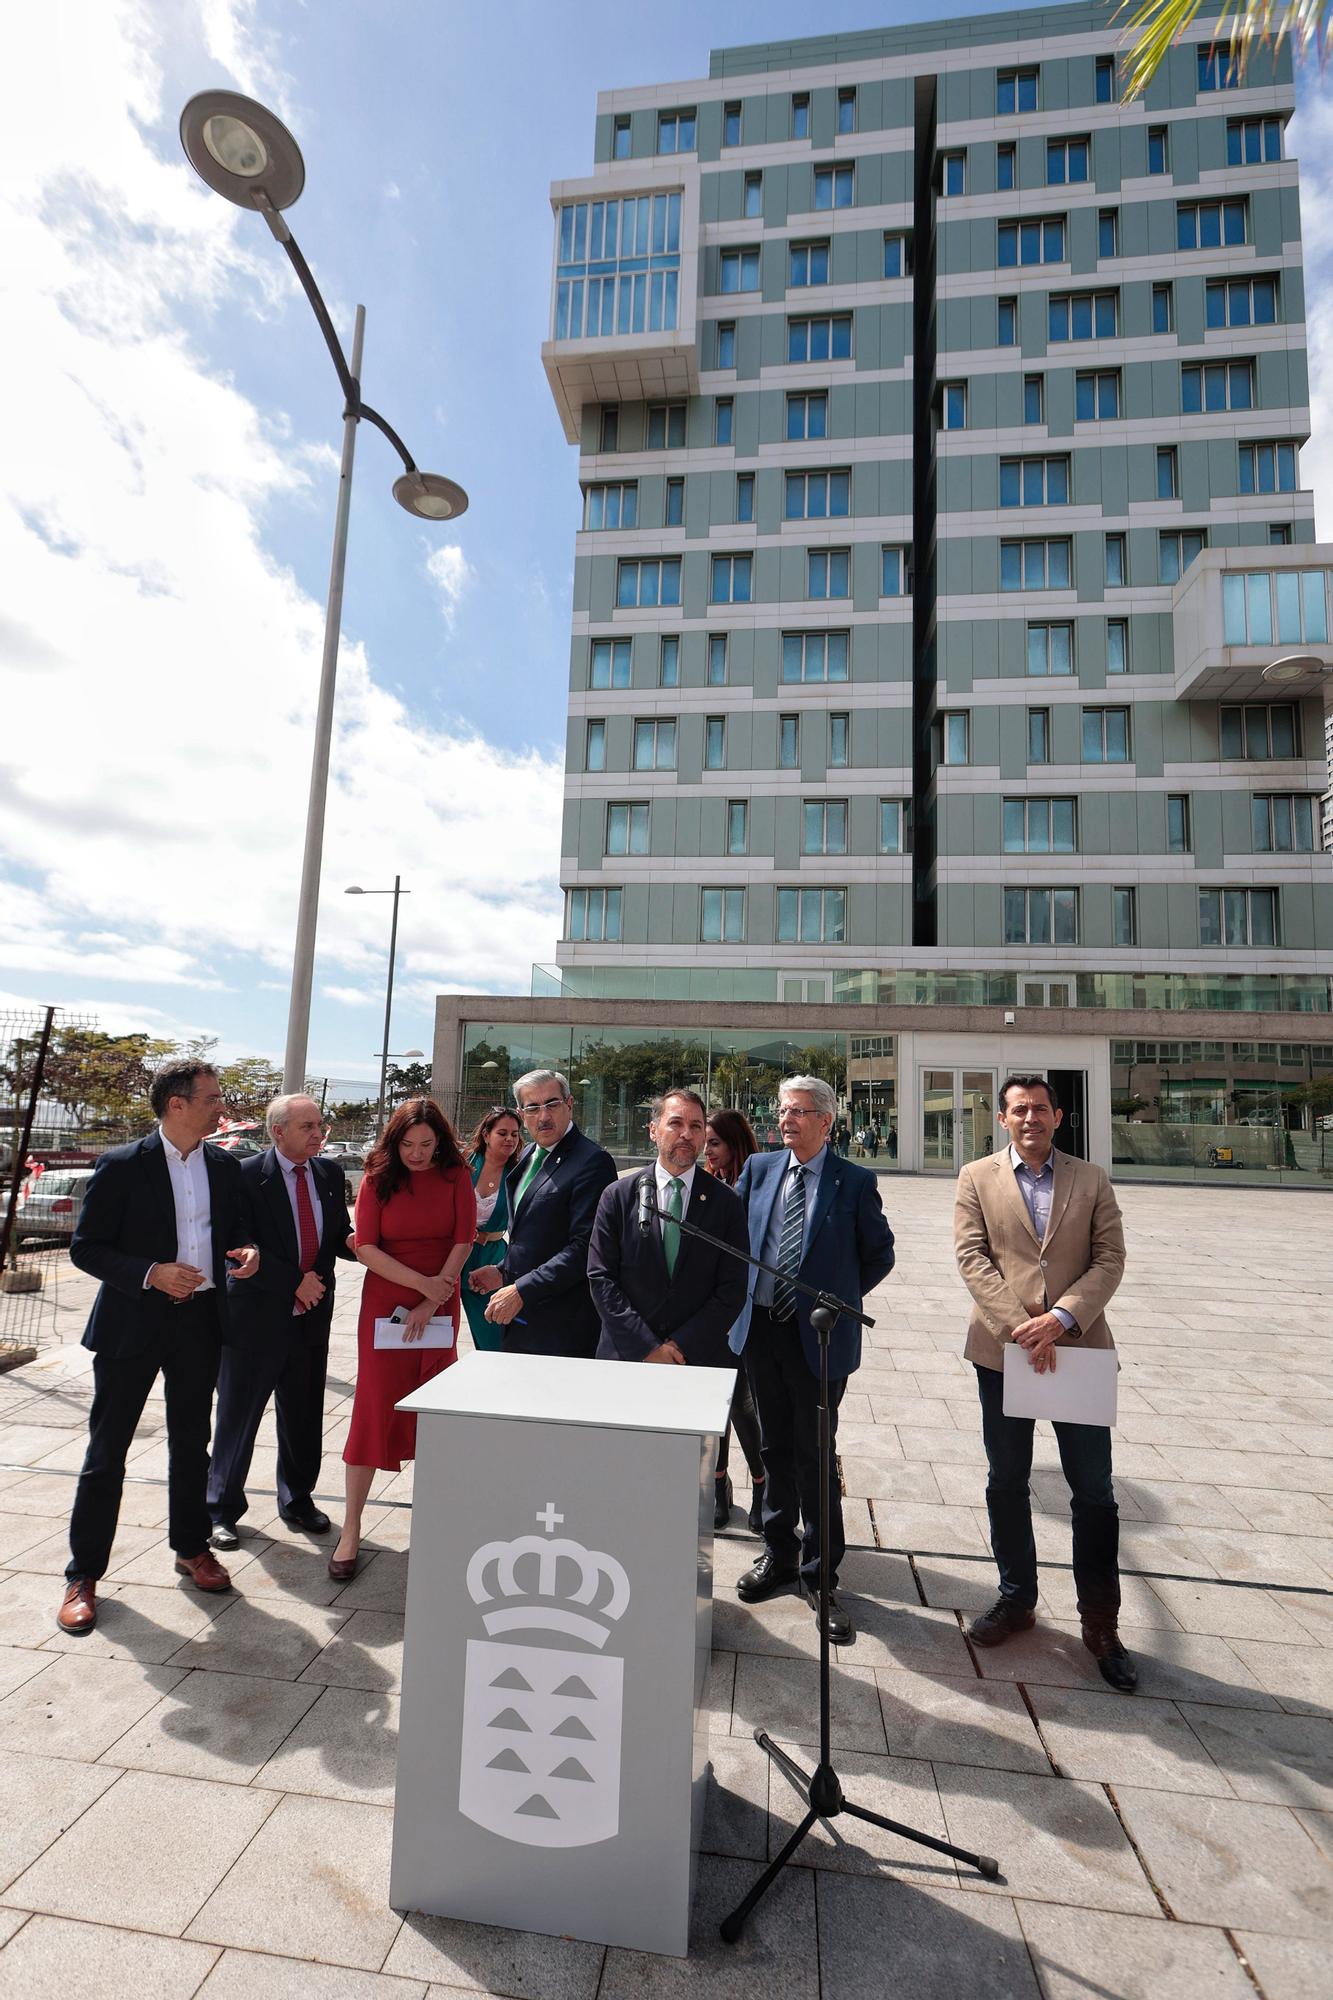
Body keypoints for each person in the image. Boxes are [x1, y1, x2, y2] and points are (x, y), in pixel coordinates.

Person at [56, 1059, 260, 1635]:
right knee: (107, 1451)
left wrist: (247, 1253)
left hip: (200, 1325)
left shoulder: (225, 1166)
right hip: (131, 1326)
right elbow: (87, 1249)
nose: (221, 1106)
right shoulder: (121, 1165)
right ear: (177, 1103)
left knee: (193, 1444)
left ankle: (191, 1547)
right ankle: (84, 1574)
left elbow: (237, 1232)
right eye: (212, 1098)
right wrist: (151, 1272)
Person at [954, 1073, 1135, 1692]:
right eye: (1017, 1110)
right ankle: (1016, 1597)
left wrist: (1060, 1320)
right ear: (1002, 1119)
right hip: (1005, 1354)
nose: (1029, 1118)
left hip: (1078, 1352)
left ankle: (1101, 1622)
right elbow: (972, 1258)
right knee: (1006, 1479)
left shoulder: (1091, 1178)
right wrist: (1024, 1328)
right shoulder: (976, 1178)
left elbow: (1110, 1258)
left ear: (1058, 1116)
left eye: (1040, 1109)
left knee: (1094, 1490)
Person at [730, 1076, 895, 1643]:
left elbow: (879, 1254)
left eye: (799, 1112)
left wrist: (834, 1300)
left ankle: (821, 1576)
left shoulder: (855, 1181)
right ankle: (777, 1553)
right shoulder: (759, 1170)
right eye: (782, 1111)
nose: (786, 1120)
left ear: (826, 1121)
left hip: (818, 1338)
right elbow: (738, 1235)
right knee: (773, 1447)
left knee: (815, 1453)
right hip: (762, 1332)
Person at [330, 1097, 476, 1581]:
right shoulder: (376, 1178)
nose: (417, 1154)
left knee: (436, 1409)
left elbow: (464, 1238)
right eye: (408, 1144)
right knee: (374, 1408)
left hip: (439, 1299)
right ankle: (350, 1530)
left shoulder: (457, 1176)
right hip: (388, 1302)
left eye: (427, 1145)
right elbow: (365, 1246)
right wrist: (421, 1288)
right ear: (395, 1142)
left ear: (441, 1142)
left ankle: (439, 1526)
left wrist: (434, 1298)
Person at [207, 1093, 355, 1551]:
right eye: (308, 1126)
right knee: (239, 1416)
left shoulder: (328, 1173)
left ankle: (297, 1500)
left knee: (304, 1414)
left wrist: (382, 1246)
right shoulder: (246, 1176)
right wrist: (293, 1280)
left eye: (320, 1125)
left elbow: (338, 1236)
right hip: (254, 1319)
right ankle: (221, 1510)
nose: (319, 1134)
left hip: (310, 1317)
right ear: (278, 1132)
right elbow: (237, 1244)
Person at [589, 1089, 748, 1385]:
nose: (686, 1134)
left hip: (698, 1363)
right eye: (676, 1123)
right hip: (626, 1360)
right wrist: (647, 1347)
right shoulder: (618, 1196)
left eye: (696, 1126)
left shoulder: (726, 1203)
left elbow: (732, 1288)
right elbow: (601, 1279)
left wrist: (680, 1345)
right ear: (653, 1130)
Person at [471, 1068, 616, 1358]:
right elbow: (534, 1234)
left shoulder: (592, 1162)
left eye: (552, 1104)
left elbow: (586, 1247)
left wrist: (522, 1289)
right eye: (533, 1107)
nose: (544, 1116)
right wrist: (503, 1271)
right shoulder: (527, 1156)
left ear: (570, 1105)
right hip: (522, 1321)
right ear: (520, 1113)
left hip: (563, 1327)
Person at [703, 1108, 767, 1533]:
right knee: (713, 1409)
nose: (707, 1150)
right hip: (706, 1311)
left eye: (714, 1143)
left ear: (734, 1144)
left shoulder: (756, 1184)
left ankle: (762, 1484)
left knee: (743, 1407)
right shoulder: (705, 1185)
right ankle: (719, 1485)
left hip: (741, 1311)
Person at [459, 1106, 523, 1353]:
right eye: (502, 1133)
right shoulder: (464, 1164)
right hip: (454, 1256)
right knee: (441, 1329)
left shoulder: (520, 1171)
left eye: (515, 1134)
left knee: (492, 1334)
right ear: (486, 1135)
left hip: (490, 1258)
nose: (509, 1139)